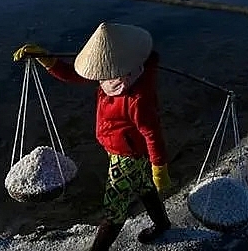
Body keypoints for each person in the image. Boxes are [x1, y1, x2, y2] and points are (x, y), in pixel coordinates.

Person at [12, 22, 172, 251]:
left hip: (128, 156)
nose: (100, 75)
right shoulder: (113, 76)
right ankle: (162, 224)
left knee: (114, 207)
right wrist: (45, 58)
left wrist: (159, 168)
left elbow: (152, 133)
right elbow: (75, 75)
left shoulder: (137, 97)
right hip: (118, 147)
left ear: (118, 66)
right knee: (142, 186)